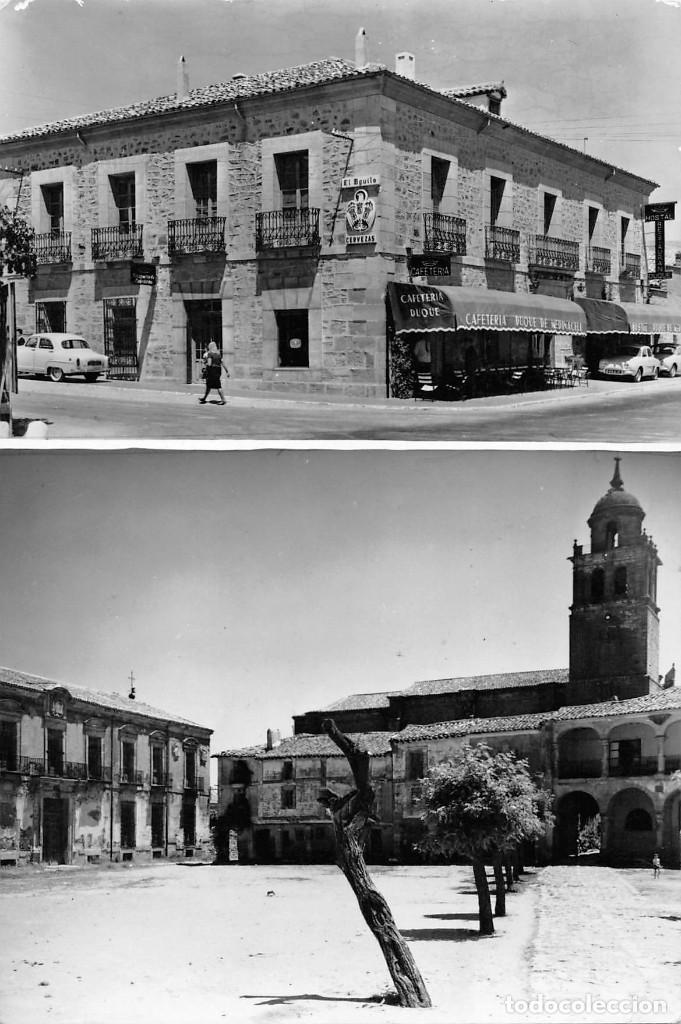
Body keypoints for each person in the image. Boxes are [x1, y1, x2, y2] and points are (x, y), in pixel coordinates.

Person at [199, 341, 227, 405]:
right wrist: (227, 371)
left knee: (218, 386)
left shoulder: (210, 354)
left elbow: (209, 364)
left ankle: (223, 400)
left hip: (212, 371)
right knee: (208, 385)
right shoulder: (218, 354)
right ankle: (204, 398)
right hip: (218, 370)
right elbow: (222, 363)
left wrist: (205, 363)